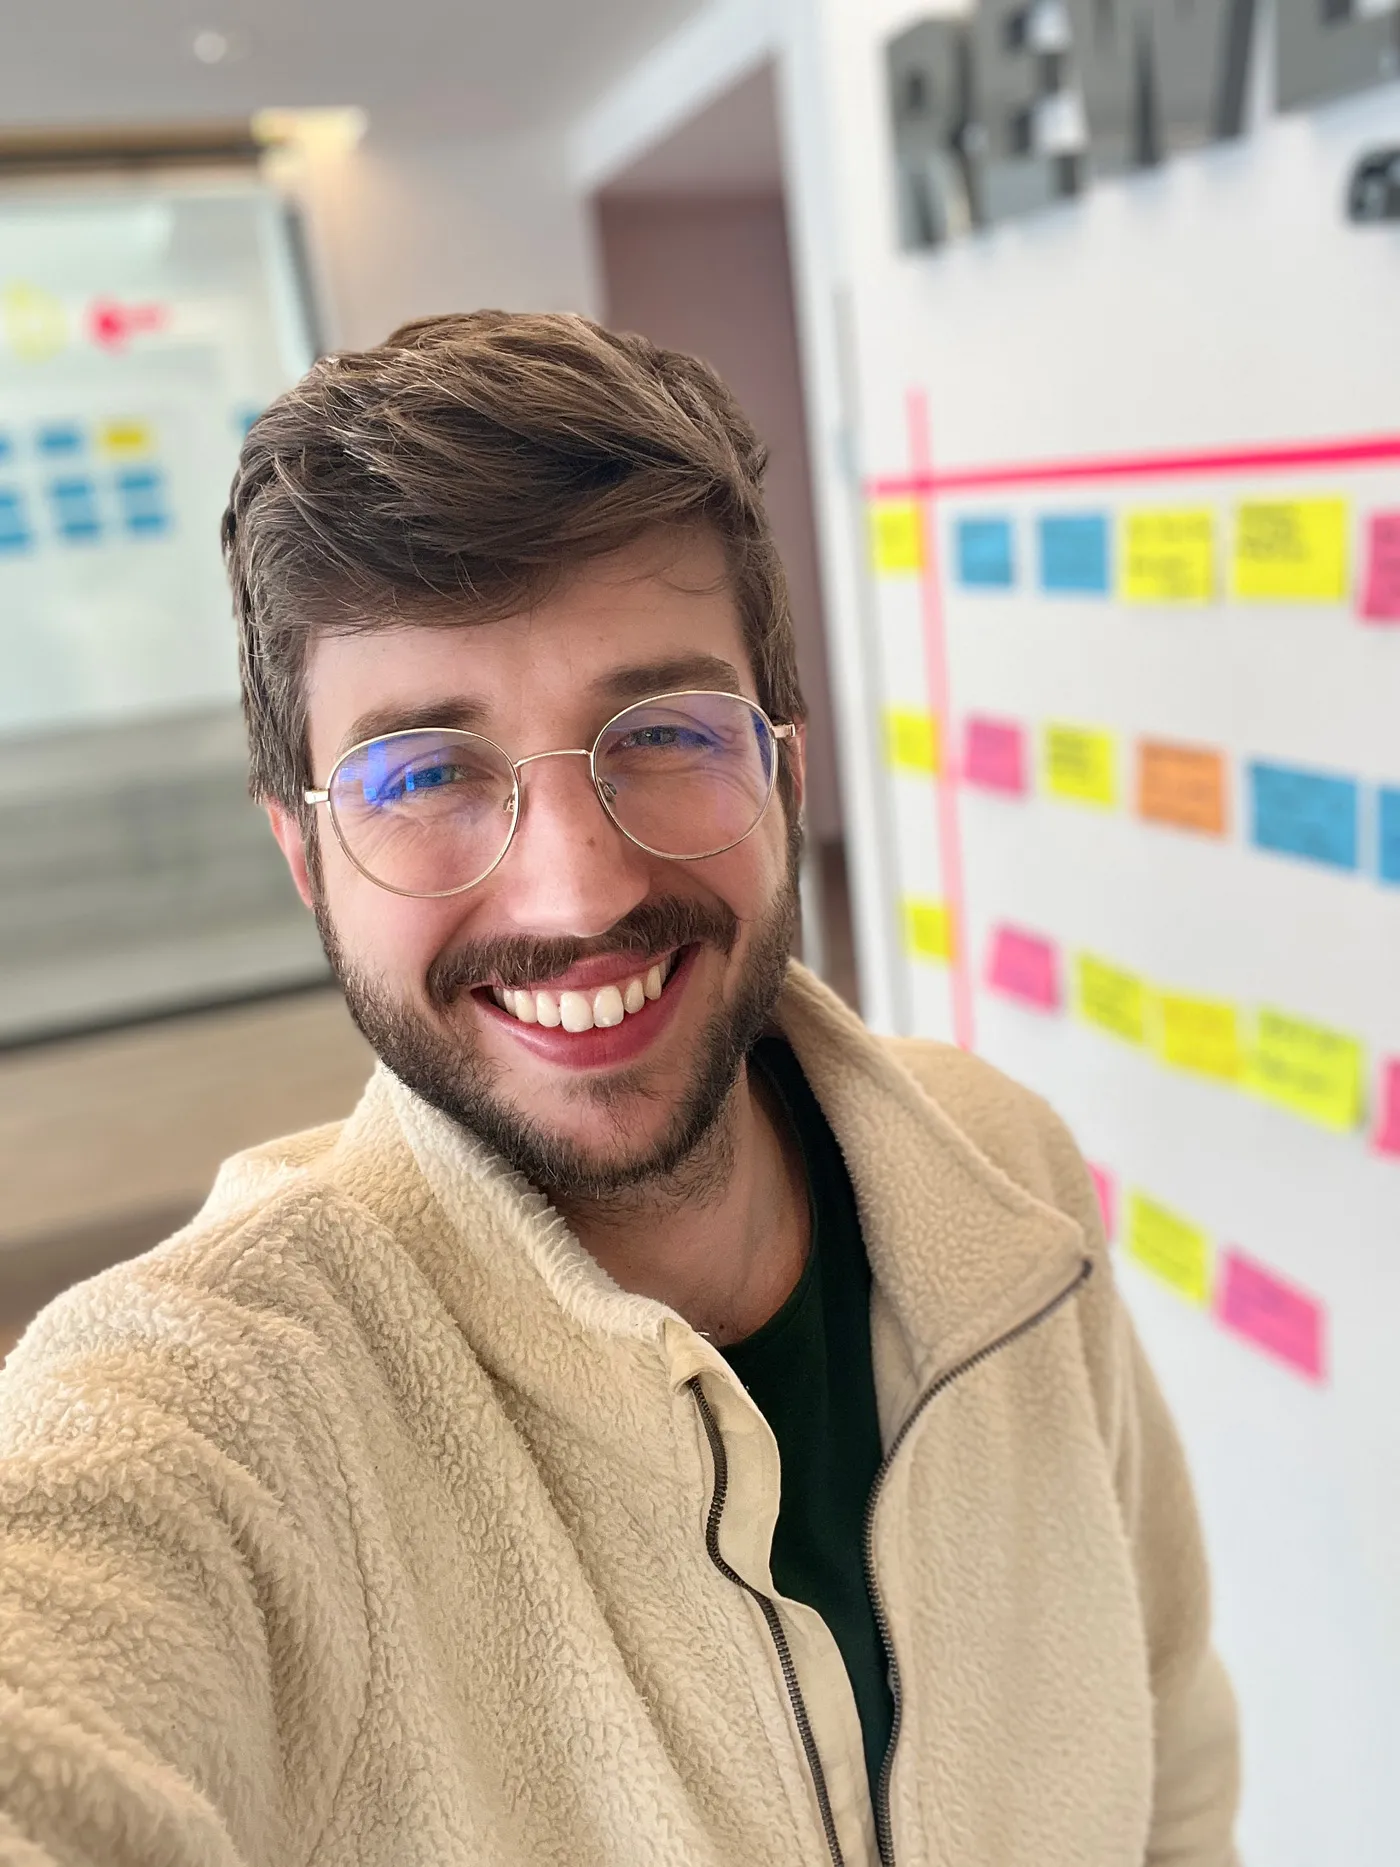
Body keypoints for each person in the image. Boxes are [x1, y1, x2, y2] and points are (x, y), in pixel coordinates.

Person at [0, 312, 1238, 1867]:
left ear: (783, 773)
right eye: (422, 772)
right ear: (304, 853)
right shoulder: (218, 1410)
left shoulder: (1002, 1170)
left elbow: (1172, 1752)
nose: (575, 887)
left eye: (661, 733)